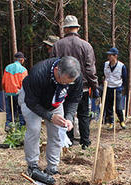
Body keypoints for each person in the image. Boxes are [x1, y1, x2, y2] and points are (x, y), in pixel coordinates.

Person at [18, 56, 82, 185]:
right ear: (57, 70)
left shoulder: (75, 77)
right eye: (63, 81)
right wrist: (50, 117)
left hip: (55, 102)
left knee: (57, 131)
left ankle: (52, 167)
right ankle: (33, 166)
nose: (65, 84)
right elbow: (31, 103)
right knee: (34, 130)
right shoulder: (38, 73)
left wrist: (69, 118)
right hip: (32, 101)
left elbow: (74, 99)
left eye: (69, 83)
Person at [51, 15, 99, 150]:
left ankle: (69, 142)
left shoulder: (58, 45)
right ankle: (85, 143)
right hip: (82, 86)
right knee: (83, 115)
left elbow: (52, 65)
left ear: (65, 29)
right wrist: (94, 85)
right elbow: (90, 68)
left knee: (67, 113)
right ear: (77, 28)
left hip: (62, 86)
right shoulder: (86, 46)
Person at [103, 47, 127, 129]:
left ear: (115, 56)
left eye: (110, 55)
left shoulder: (121, 66)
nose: (109, 57)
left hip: (117, 88)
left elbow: (124, 78)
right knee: (108, 106)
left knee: (118, 107)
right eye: (108, 55)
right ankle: (111, 122)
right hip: (108, 87)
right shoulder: (106, 64)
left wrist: (122, 88)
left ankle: (122, 121)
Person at [2, 52, 28, 126]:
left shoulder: (7, 68)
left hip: (9, 93)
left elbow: (3, 82)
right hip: (19, 93)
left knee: (10, 112)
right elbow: (24, 83)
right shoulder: (23, 69)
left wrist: (6, 89)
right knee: (21, 112)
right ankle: (21, 128)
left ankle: (9, 127)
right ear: (22, 60)